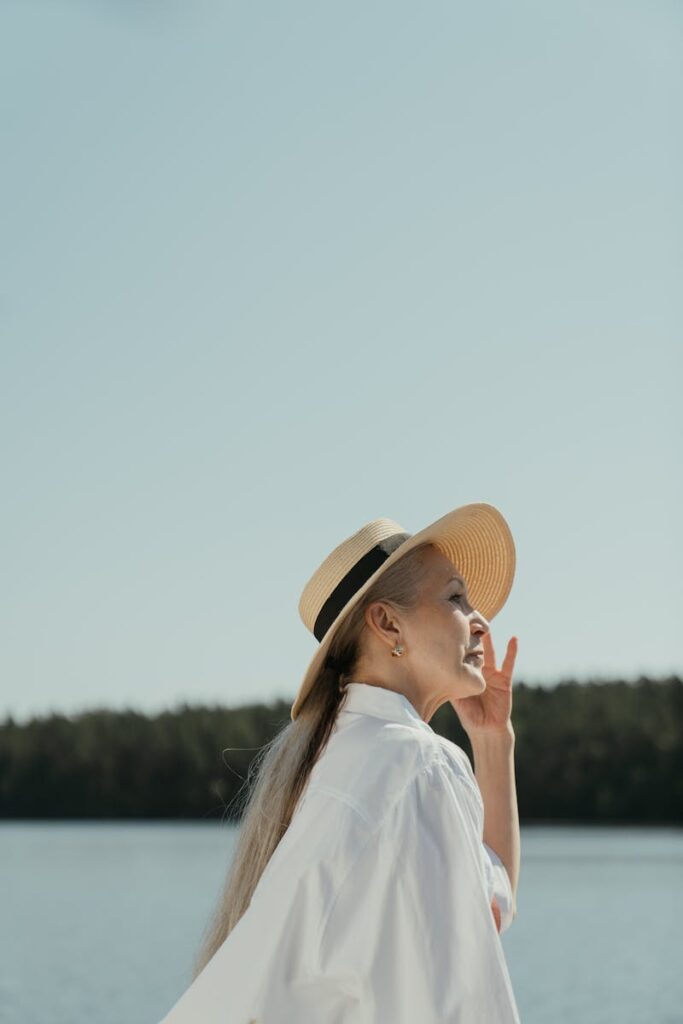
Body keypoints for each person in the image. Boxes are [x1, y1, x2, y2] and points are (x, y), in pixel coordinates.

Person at [159, 501, 522, 1023]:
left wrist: (492, 740)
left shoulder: (332, 761)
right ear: (387, 624)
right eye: (456, 597)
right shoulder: (416, 766)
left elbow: (490, 906)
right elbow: (458, 1004)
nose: (482, 621)